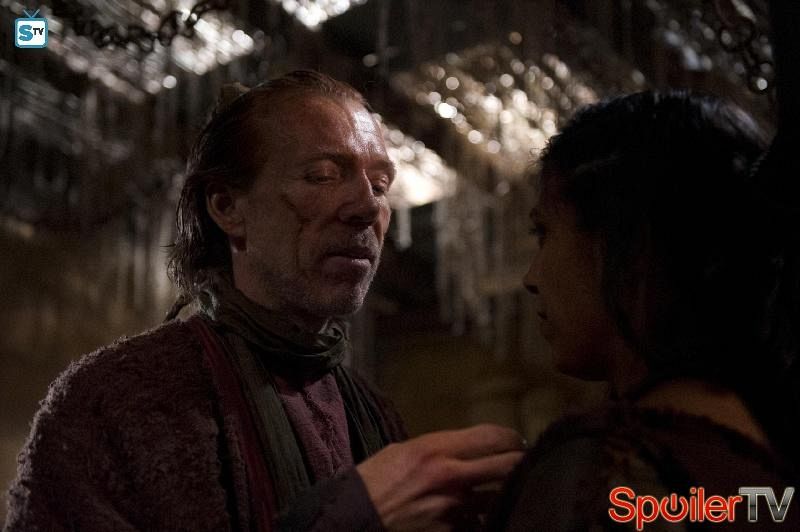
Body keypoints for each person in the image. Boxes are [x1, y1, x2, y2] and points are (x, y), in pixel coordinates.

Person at [5, 70, 524, 531]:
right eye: (322, 175)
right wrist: (351, 518)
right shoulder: (114, 399)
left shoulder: (373, 414)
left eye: (381, 183)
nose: (368, 206)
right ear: (228, 207)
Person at [488, 91, 800, 530]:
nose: (531, 277)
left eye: (544, 232)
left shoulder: (604, 470)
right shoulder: (767, 463)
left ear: (626, 245)